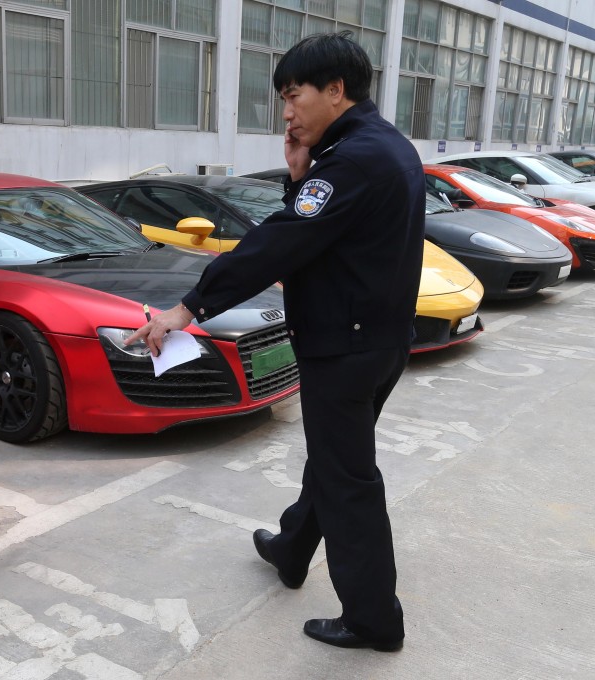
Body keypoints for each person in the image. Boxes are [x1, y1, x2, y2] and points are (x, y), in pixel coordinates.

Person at [125, 32, 424, 651]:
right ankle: (292, 548)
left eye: (294, 96)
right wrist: (298, 177)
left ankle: (373, 619)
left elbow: (281, 242)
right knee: (336, 461)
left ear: (335, 90)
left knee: (348, 480)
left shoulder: (353, 160)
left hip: (344, 349)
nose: (286, 114)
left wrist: (188, 308)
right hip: (380, 342)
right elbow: (329, 235)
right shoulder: (387, 147)